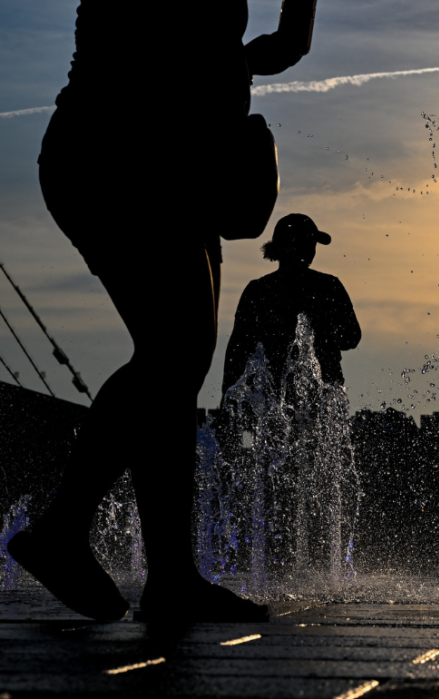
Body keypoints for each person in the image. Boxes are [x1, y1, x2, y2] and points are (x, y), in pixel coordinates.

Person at [7, 2, 311, 622]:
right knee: (173, 352)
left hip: (185, 165)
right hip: (116, 154)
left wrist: (234, 67)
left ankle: (171, 577)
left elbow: (285, 45)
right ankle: (65, 530)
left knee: (178, 367)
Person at [221, 214, 361, 396]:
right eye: (309, 242)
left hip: (277, 399)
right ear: (292, 246)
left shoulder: (258, 290)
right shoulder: (328, 286)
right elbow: (351, 336)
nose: (312, 249)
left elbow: (237, 351)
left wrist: (226, 397)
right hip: (309, 397)